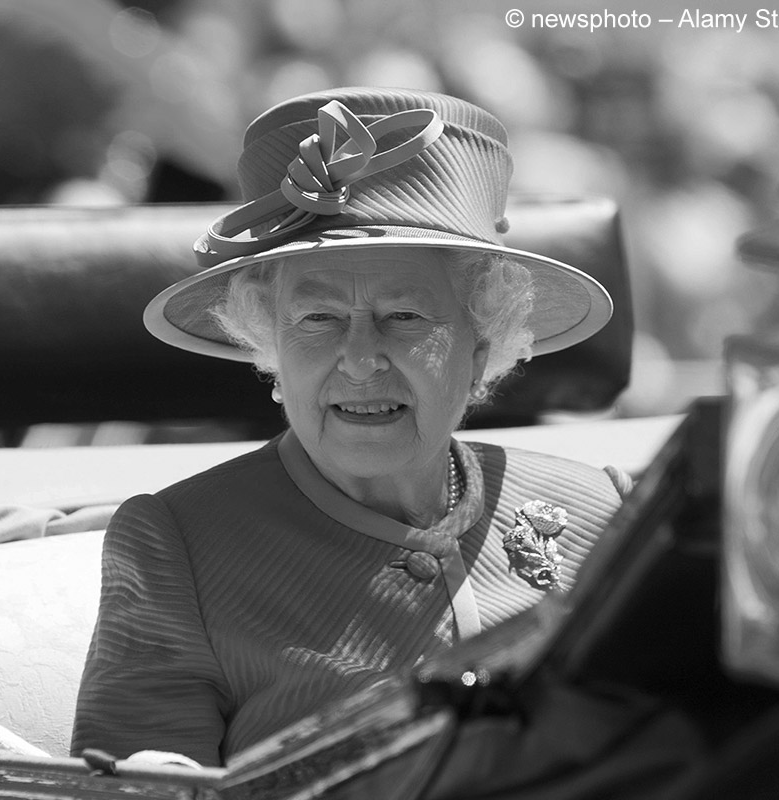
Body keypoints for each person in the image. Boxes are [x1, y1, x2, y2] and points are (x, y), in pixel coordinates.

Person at [71, 86, 630, 768]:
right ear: (269, 344)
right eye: (318, 319)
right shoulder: (177, 549)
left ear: (481, 345)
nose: (361, 359)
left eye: (405, 317)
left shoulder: (605, 511)